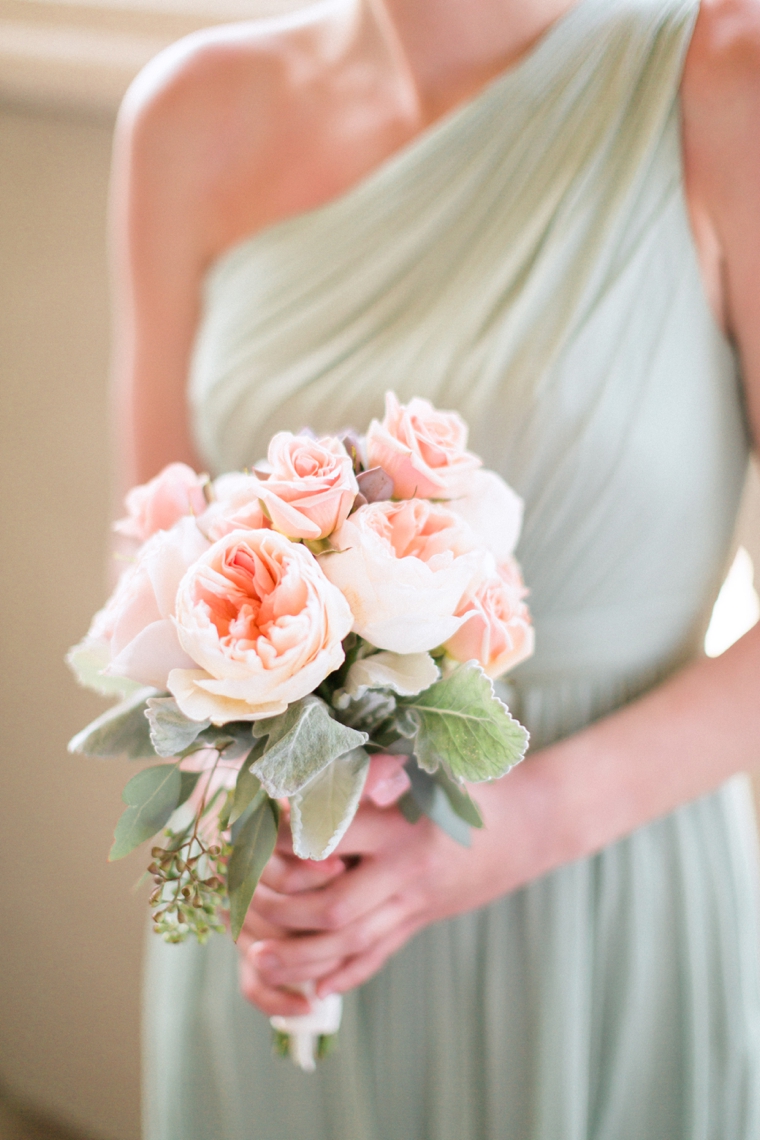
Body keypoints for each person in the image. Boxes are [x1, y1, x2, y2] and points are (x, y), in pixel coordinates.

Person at [111, 0, 760, 1135]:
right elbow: (156, 572)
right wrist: (235, 837)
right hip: (294, 905)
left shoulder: (724, 73)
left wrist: (525, 822)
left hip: (594, 895)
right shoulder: (188, 111)